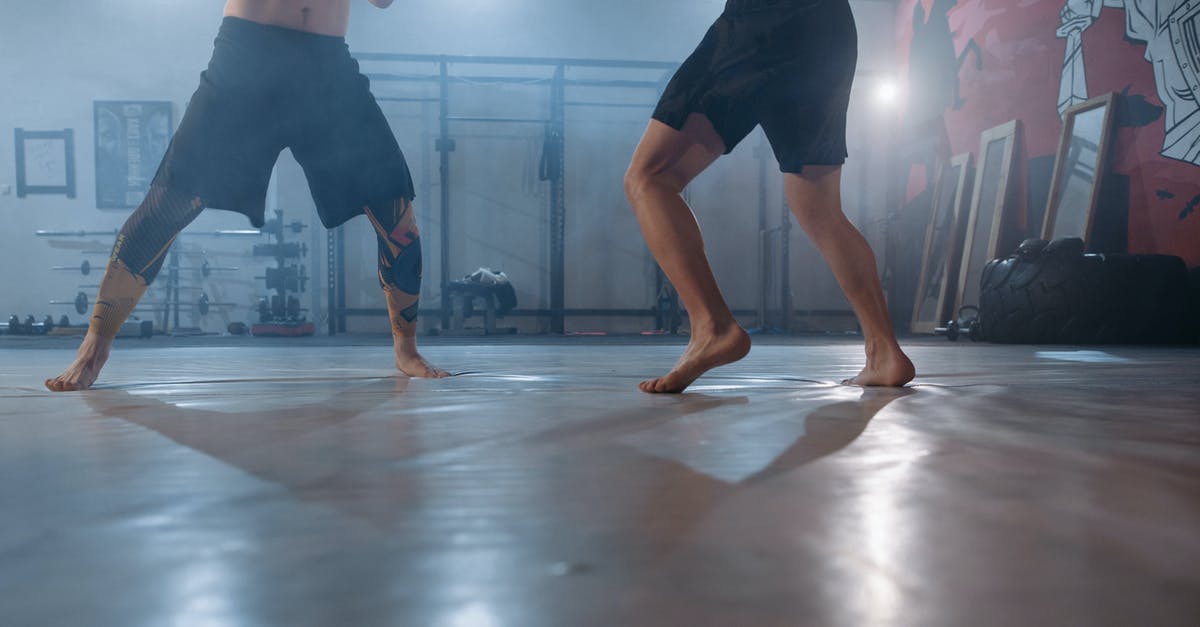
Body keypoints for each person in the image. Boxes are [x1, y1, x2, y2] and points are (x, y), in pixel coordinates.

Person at [46, 0, 448, 391]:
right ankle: (93, 349)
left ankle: (406, 350)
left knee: (395, 211)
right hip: (248, 56)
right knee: (168, 202)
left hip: (327, 67)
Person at [624, 0, 914, 393]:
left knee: (648, 177)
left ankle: (713, 326)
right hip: (828, 26)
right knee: (820, 208)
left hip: (760, 17)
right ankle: (884, 352)